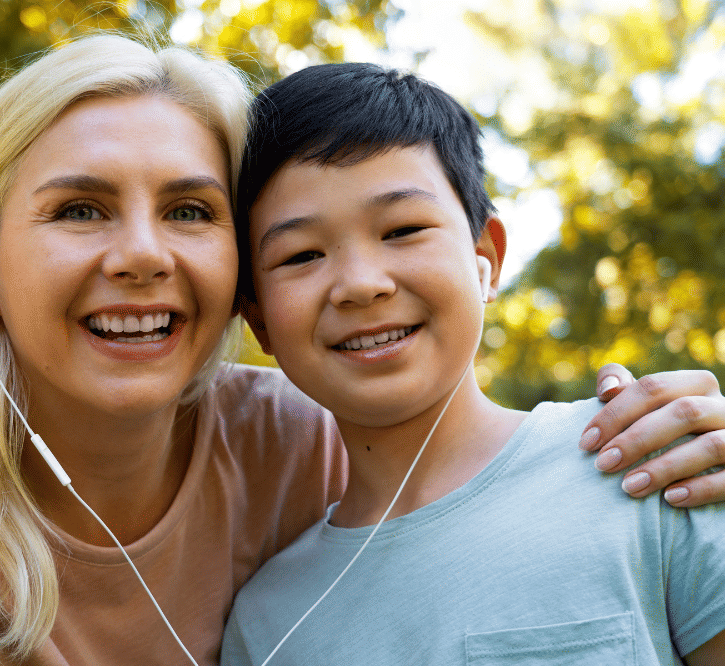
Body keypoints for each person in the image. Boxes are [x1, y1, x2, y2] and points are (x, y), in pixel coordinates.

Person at [0, 34, 723, 666]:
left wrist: (679, 426)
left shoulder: (298, 437)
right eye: (80, 208)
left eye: (190, 210)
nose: (142, 254)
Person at [221, 63, 725, 665]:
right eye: (302, 254)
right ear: (257, 319)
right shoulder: (266, 623)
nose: (360, 284)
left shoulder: (650, 465)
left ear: (485, 259)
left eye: (403, 229)